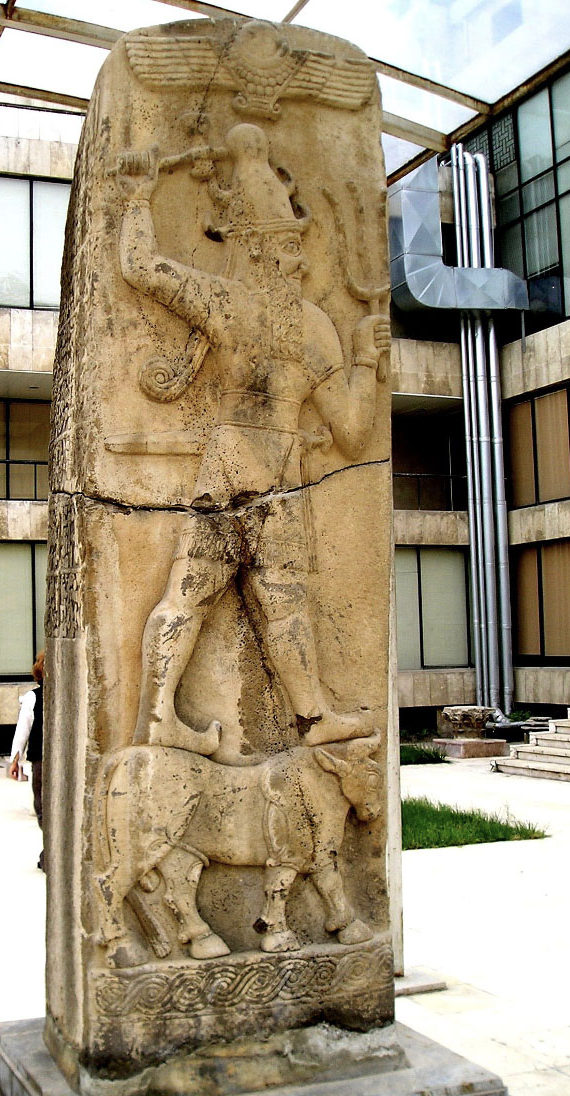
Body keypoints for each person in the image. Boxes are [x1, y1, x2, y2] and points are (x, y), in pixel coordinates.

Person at [116, 123, 390, 758]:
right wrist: (365, 365)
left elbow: (140, 265)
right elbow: (351, 429)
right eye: (289, 247)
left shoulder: (229, 304)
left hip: (231, 468)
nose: (300, 258)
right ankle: (308, 714)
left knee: (199, 592)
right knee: (278, 602)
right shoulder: (311, 326)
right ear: (264, 249)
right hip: (276, 477)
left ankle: (162, 715)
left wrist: (138, 199)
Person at [9, 651, 45, 870]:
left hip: (42, 758)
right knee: (46, 807)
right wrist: (16, 758)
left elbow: (23, 729)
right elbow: (24, 729)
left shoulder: (34, 697)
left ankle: (50, 851)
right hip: (43, 758)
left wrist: (16, 760)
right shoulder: (34, 697)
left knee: (42, 806)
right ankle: (51, 850)